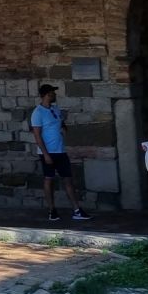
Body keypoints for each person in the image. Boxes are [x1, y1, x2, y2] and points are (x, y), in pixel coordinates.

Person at [29, 84, 92, 221]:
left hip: (60, 150)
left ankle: (77, 210)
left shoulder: (55, 109)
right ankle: (52, 210)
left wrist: (64, 128)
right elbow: (37, 135)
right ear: (46, 95)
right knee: (49, 180)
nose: (55, 95)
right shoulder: (37, 113)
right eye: (52, 93)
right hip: (48, 152)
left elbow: (60, 123)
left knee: (68, 179)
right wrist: (45, 154)